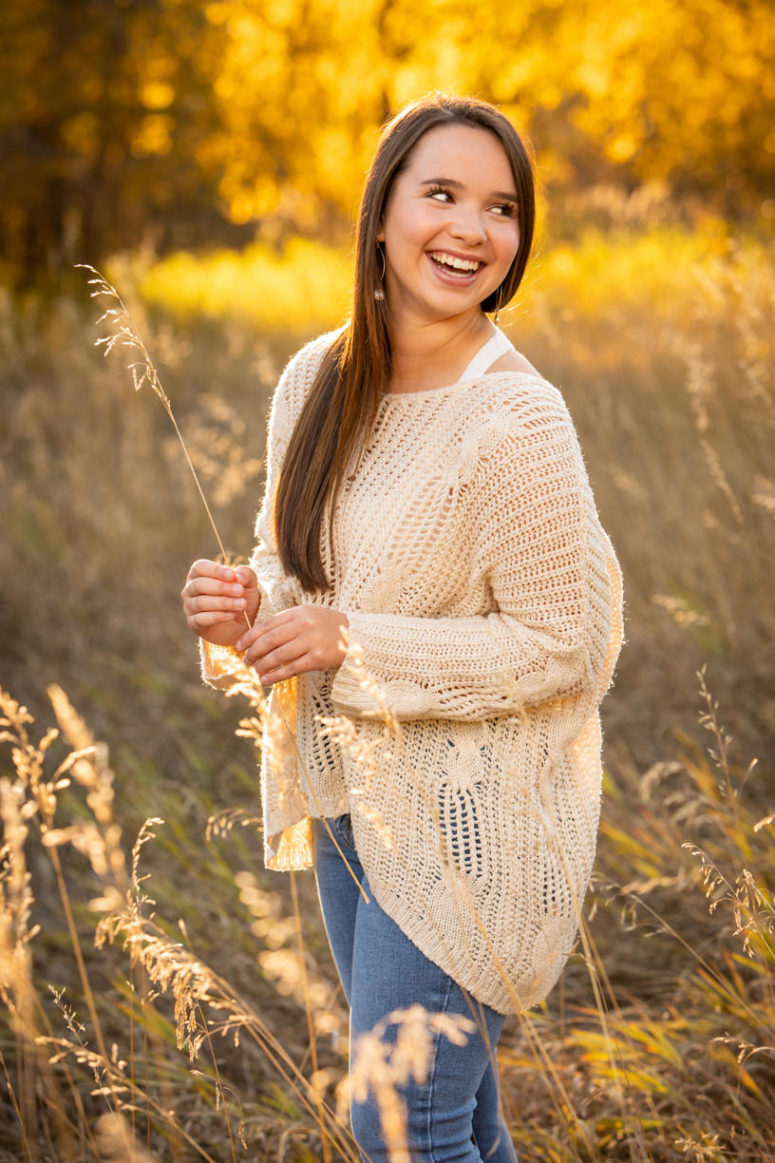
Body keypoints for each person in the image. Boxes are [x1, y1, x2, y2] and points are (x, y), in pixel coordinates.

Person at [181, 94, 623, 1162]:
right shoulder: (315, 378)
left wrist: (349, 642)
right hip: (350, 795)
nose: (472, 229)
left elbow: (565, 643)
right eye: (442, 194)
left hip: (479, 823)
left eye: (501, 207)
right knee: (452, 1122)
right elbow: (297, 572)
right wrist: (247, 608)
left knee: (400, 1125)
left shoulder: (515, 419)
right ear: (381, 212)